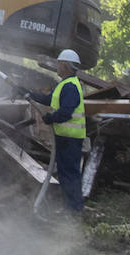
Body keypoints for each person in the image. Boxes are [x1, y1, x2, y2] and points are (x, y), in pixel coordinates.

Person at [18, 49, 87, 214]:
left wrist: (50, 118)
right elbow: (48, 99)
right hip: (65, 137)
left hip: (70, 138)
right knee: (66, 173)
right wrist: (27, 93)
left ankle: (74, 210)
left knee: (70, 174)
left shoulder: (70, 86)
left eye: (59, 63)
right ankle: (70, 208)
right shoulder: (64, 84)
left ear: (65, 65)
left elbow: (66, 112)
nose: (57, 66)